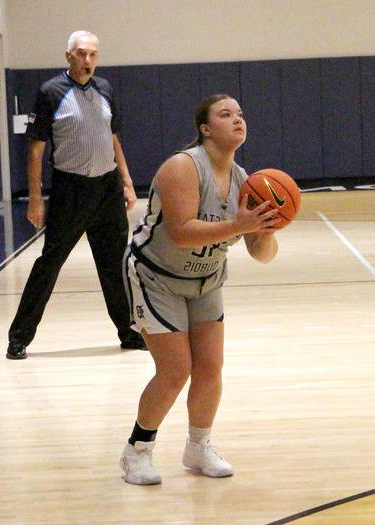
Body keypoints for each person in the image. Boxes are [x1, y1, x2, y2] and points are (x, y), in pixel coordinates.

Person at [119, 94, 280, 485]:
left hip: (206, 278)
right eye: (226, 115)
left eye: (241, 114)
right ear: (206, 128)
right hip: (155, 275)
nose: (237, 120)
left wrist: (269, 230)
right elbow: (181, 233)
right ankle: (136, 451)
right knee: (176, 370)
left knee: (210, 368)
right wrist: (239, 226)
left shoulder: (247, 181)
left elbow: (261, 253)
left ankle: (198, 446)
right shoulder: (183, 167)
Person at [6, 30, 145, 359]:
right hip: (71, 191)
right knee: (49, 263)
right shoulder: (50, 92)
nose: (88, 60)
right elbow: (36, 150)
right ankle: (19, 337)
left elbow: (113, 140)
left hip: (107, 189)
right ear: (68, 56)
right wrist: (37, 198)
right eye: (81, 54)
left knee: (114, 263)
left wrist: (126, 181)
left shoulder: (105, 89)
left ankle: (128, 331)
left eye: (93, 54)